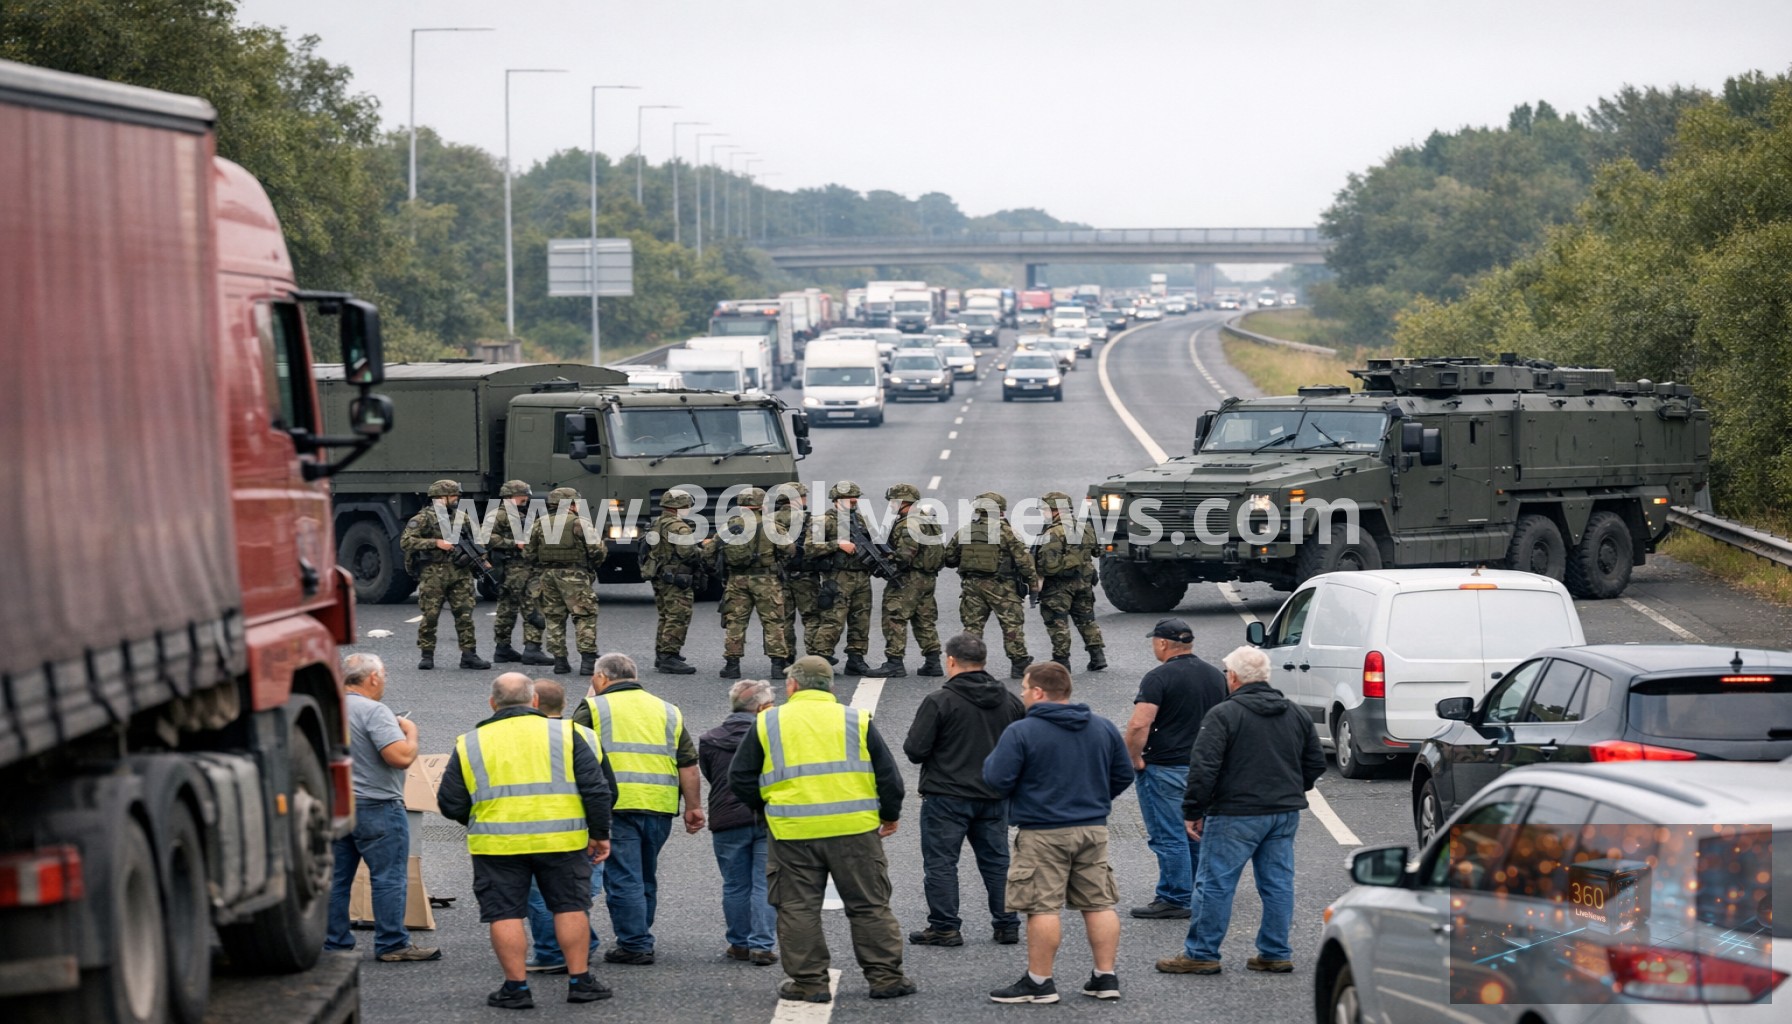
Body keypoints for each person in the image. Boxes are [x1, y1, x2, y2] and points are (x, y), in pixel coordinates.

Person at [727, 657, 916, 1004]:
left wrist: (768, 808)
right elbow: (889, 777)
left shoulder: (769, 721)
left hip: (793, 830)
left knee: (798, 908)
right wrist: (889, 815)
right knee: (869, 905)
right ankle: (885, 978)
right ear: (831, 687)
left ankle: (809, 982)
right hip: (854, 830)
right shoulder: (855, 719)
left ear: (792, 686)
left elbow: (738, 777)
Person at [436, 673, 614, 1009]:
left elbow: (450, 802)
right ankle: (580, 981)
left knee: (505, 913)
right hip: (562, 839)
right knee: (570, 906)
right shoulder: (569, 733)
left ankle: (516, 988)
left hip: (497, 843)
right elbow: (597, 789)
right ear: (534, 701)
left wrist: (481, 818)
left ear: (492, 703)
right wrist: (599, 834)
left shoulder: (471, 742)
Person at [1155, 646, 1326, 977]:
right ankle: (1275, 952)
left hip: (1235, 813)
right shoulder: (1295, 713)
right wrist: (1290, 789)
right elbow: (1315, 762)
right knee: (1277, 882)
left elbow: (1204, 768)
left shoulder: (1224, 715)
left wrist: (1193, 809)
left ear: (1233, 677)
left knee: (1215, 883)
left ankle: (1202, 953)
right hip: (1283, 812)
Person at [981, 661, 1133, 1004]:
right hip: (1093, 829)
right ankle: (1104, 976)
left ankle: (1040, 982)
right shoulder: (1102, 726)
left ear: (1038, 692)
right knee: (1098, 903)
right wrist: (1094, 798)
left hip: (1043, 831)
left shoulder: (1022, 731)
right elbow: (1123, 774)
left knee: (1042, 906)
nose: (1021, 695)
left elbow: (995, 779)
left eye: (1023, 688)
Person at [571, 653, 704, 964]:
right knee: (645, 875)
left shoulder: (593, 707)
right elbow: (688, 764)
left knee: (623, 876)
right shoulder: (668, 711)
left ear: (601, 678)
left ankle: (635, 943)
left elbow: (570, 748)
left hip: (615, 805)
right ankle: (639, 932)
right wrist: (694, 807)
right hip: (659, 805)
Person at [902, 633, 1025, 947]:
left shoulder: (940, 701)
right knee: (997, 862)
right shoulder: (1010, 700)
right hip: (995, 795)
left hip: (947, 796)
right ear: (984, 662)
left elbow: (915, 750)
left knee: (942, 862)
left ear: (951, 660)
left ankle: (944, 926)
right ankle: (1007, 924)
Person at [324, 653, 440, 962]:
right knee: (388, 876)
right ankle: (392, 943)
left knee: (336, 878)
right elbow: (399, 757)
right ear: (372, 678)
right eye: (384, 675)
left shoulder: (327, 708)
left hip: (336, 804)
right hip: (377, 805)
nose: (385, 680)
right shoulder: (375, 712)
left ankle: (334, 941)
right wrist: (411, 732)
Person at [1125, 618, 1228, 921]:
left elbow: (1139, 723)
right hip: (1206, 768)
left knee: (1168, 833)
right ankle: (1196, 887)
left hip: (1166, 768)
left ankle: (1174, 896)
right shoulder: (1215, 676)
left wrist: (1135, 757)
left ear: (1162, 643)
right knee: (1197, 830)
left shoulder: (1158, 677)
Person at [523, 679, 605, 974]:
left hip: (534, 826)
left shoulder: (519, 735)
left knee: (539, 894)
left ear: (531, 702)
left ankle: (552, 951)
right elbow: (604, 787)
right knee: (573, 893)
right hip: (577, 828)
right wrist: (600, 831)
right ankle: (582, 943)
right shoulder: (584, 734)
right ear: (565, 705)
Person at [698, 679, 780, 966]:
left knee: (734, 884)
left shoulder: (710, 739)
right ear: (761, 707)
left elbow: (712, 776)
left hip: (727, 818)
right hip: (767, 817)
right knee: (764, 883)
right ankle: (762, 945)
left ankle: (739, 943)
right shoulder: (773, 736)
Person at [944, 492, 1037, 679]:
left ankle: (966, 664)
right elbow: (1024, 562)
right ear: (1000, 510)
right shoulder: (1007, 532)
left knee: (972, 627)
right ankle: (1019, 663)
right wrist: (1033, 584)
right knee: (1011, 625)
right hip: (1001, 587)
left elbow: (949, 558)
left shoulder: (965, 531)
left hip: (972, 587)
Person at [400, 479, 490, 670]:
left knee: (465, 614)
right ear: (442, 497)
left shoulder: (462, 518)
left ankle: (469, 655)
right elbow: (406, 542)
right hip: (434, 572)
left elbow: (477, 540)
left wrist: (482, 558)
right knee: (430, 615)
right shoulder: (423, 518)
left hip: (460, 571)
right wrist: (435, 543)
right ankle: (427, 655)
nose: (457, 498)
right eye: (454, 495)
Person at [865, 483, 945, 678]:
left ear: (903, 502)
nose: (891, 505)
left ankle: (894, 662)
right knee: (924, 619)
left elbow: (905, 555)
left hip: (909, 579)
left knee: (894, 616)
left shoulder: (909, 523)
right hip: (927, 578)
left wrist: (886, 559)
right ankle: (933, 662)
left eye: (893, 501)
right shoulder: (927, 520)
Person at [527, 487, 605, 677]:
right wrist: (590, 567)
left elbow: (529, 553)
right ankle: (587, 661)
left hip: (548, 576)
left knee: (554, 617)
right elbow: (597, 551)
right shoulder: (580, 523)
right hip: (574, 575)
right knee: (584, 616)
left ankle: (560, 662)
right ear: (569, 504)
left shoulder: (539, 524)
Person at [719, 487, 794, 679]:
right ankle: (778, 666)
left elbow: (711, 551)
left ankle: (732, 666)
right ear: (762, 505)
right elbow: (789, 549)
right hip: (766, 580)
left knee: (735, 622)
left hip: (737, 580)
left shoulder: (730, 526)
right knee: (773, 622)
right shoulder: (772, 525)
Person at [801, 481, 875, 676]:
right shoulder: (823, 521)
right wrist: (836, 544)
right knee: (833, 619)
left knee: (861, 619)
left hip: (861, 576)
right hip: (837, 577)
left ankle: (856, 658)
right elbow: (809, 548)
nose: (854, 503)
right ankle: (820, 660)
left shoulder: (861, 520)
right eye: (850, 500)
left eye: (856, 499)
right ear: (837, 501)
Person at [1034, 491, 1106, 672]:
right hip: (1084, 583)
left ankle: (1061, 660)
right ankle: (1097, 655)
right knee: (1086, 619)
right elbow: (1098, 551)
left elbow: (1049, 565)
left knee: (1057, 622)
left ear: (1056, 510)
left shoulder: (1052, 532)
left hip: (1058, 586)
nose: (1043, 513)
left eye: (1045, 509)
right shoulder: (1085, 528)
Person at [642, 489, 709, 674]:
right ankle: (669, 656)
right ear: (680, 507)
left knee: (665, 614)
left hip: (660, 574)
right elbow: (687, 553)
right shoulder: (679, 527)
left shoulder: (656, 523)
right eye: (687, 506)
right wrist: (705, 552)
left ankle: (662, 652)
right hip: (676, 577)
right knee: (678, 615)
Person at [488, 479, 546, 665]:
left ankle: (503, 648)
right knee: (532, 605)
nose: (526, 499)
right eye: (523, 496)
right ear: (512, 496)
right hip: (518, 567)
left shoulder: (513, 515)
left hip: (511, 569)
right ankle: (532, 648)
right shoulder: (501, 515)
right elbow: (487, 538)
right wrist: (514, 543)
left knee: (507, 608)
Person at [772, 483, 817, 658]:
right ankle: (815, 656)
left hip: (778, 576)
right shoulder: (811, 520)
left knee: (783, 619)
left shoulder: (770, 520)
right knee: (812, 616)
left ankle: (785, 657)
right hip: (805, 576)